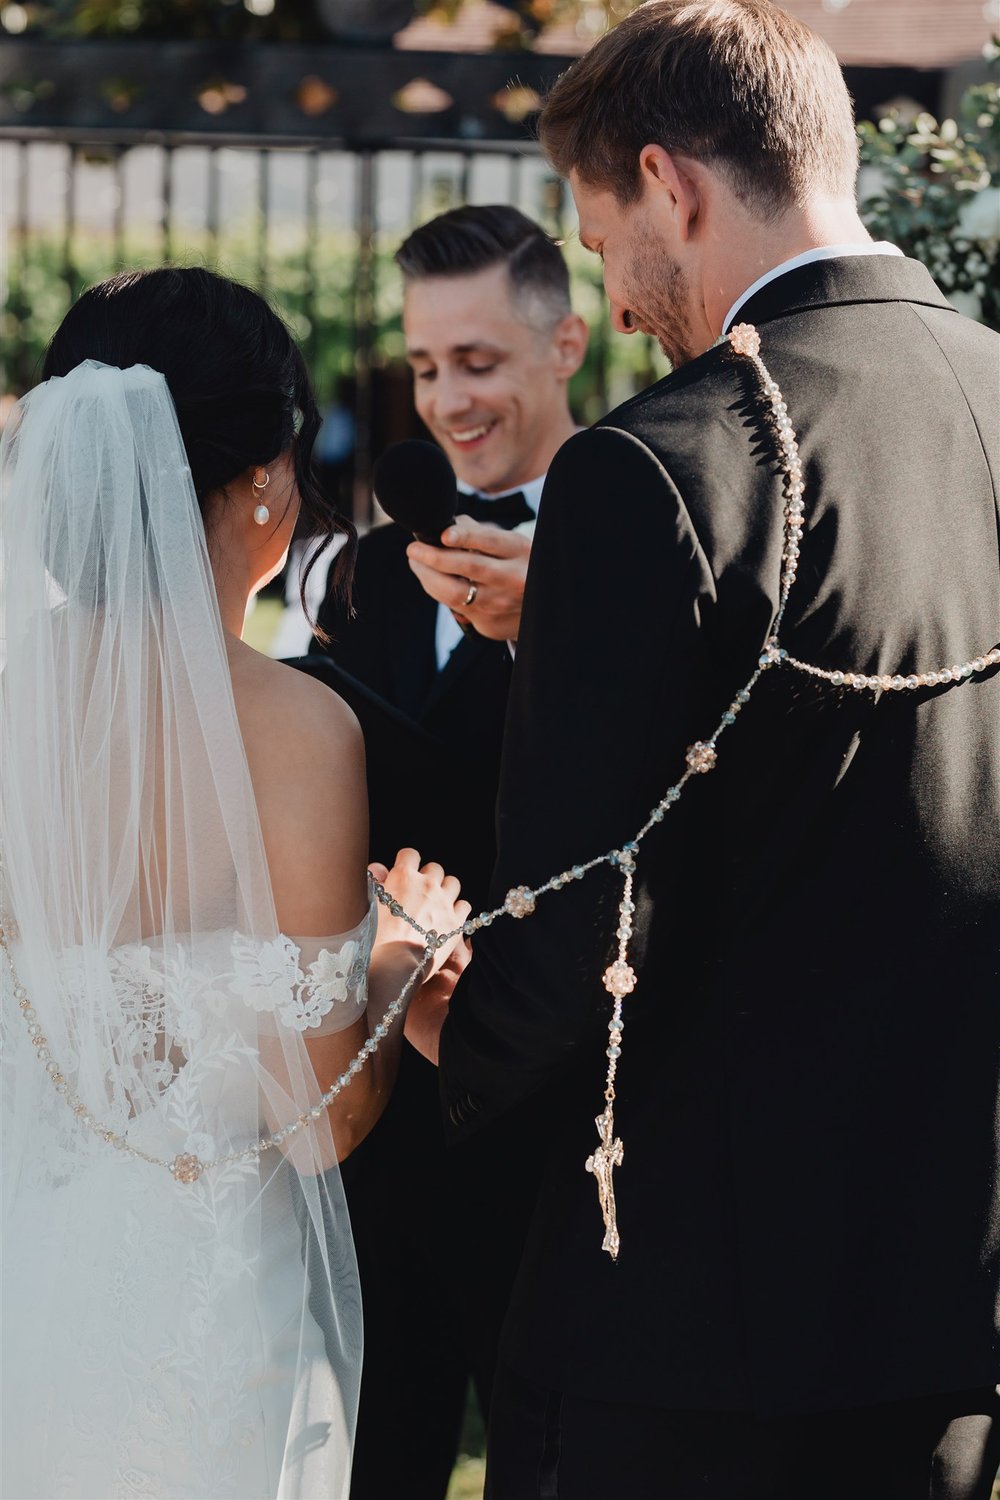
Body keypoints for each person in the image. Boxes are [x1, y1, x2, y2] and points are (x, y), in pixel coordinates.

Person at [405, 4, 1000, 1497]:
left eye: (603, 242)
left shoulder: (654, 462)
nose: (615, 303)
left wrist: (419, 1001)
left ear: (670, 184)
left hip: (690, 1337)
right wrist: (595, 630)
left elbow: (577, 937)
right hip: (957, 1309)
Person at [0, 266, 469, 1500]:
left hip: (24, 1287)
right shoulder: (300, 732)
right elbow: (324, 1125)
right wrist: (397, 950)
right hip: (213, 1330)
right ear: (264, 480)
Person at [310, 205, 588, 1500]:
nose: (448, 401)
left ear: (566, 344)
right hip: (379, 1108)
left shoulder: (628, 549)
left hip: (552, 1098)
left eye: (476, 362)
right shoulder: (367, 571)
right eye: (426, 368)